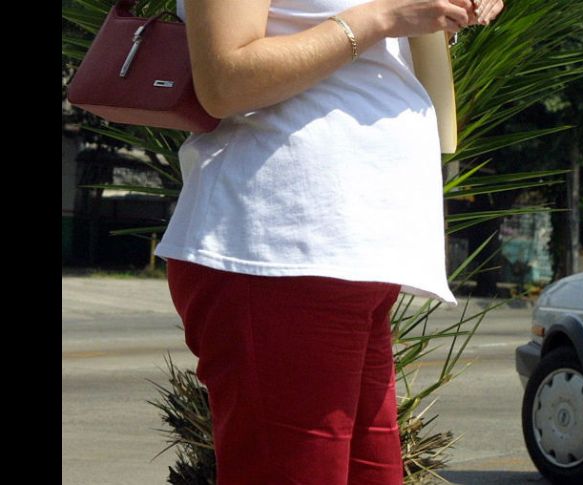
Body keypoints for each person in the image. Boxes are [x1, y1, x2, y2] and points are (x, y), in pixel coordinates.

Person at [155, 1, 505, 484]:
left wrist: (443, 12)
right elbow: (224, 81)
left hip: (353, 253)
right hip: (279, 250)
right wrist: (385, 17)